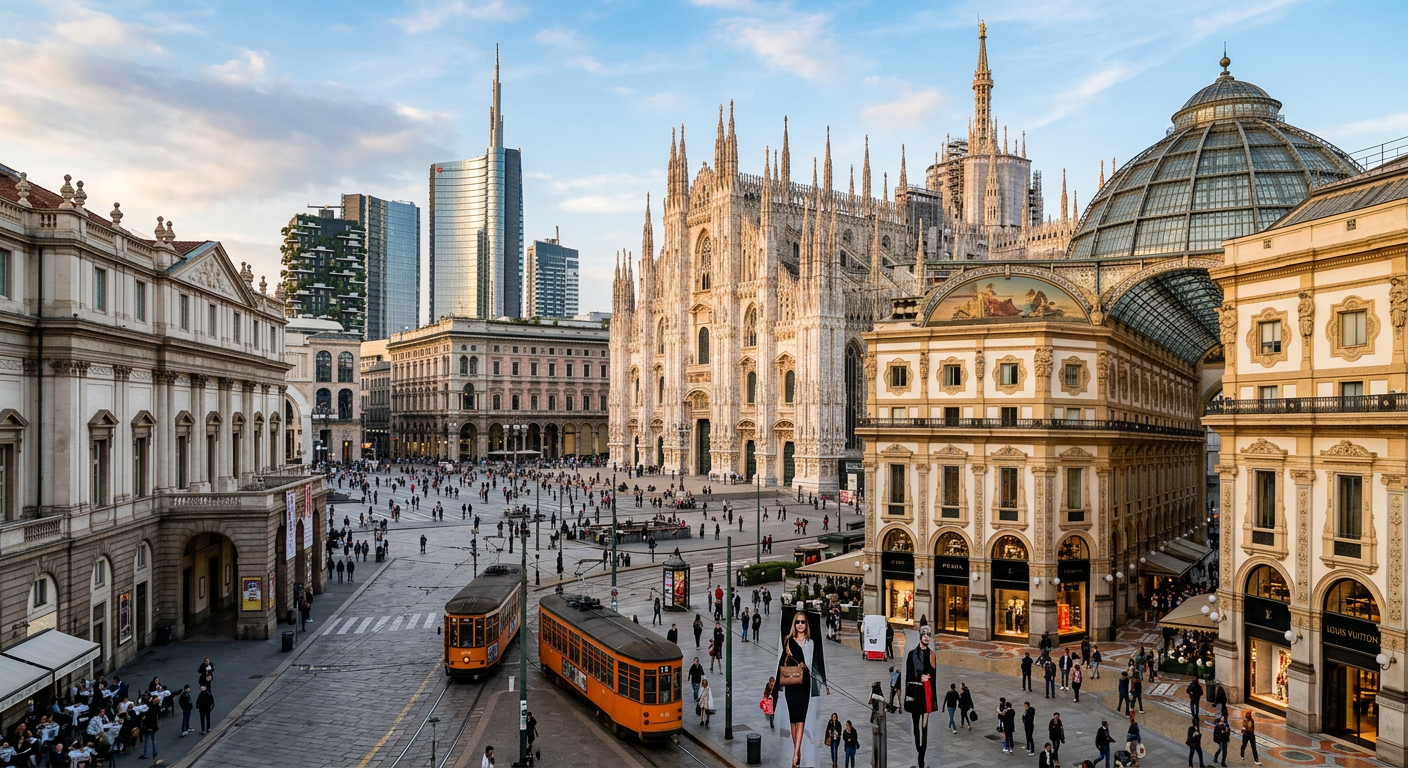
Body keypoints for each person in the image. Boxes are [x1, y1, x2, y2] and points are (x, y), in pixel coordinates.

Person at [776, 609, 829, 768]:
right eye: (797, 622)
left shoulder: (810, 643)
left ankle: (795, 753)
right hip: (791, 684)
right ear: (794, 624)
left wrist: (824, 683)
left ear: (806, 625)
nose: (800, 624)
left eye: (803, 622)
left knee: (801, 720)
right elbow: (782, 663)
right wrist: (775, 689)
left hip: (804, 682)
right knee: (793, 721)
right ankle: (797, 751)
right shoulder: (788, 641)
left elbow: (815, 663)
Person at [903, 627, 939, 768]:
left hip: (926, 694)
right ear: (920, 637)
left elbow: (934, 675)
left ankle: (921, 757)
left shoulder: (931, 654)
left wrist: (928, 676)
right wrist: (920, 676)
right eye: (924, 635)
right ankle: (919, 749)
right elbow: (909, 673)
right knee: (916, 726)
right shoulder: (912, 654)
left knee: (924, 727)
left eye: (928, 635)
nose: (926, 638)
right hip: (914, 694)